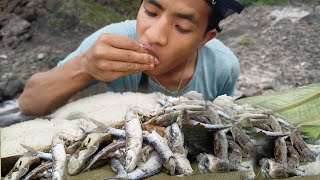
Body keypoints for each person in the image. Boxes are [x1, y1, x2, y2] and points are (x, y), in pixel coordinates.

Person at [19, 0, 244, 116]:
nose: (154, 36)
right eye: (150, 12)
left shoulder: (224, 67)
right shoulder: (112, 41)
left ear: (205, 38)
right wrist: (85, 66)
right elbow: (29, 104)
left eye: (182, 27)